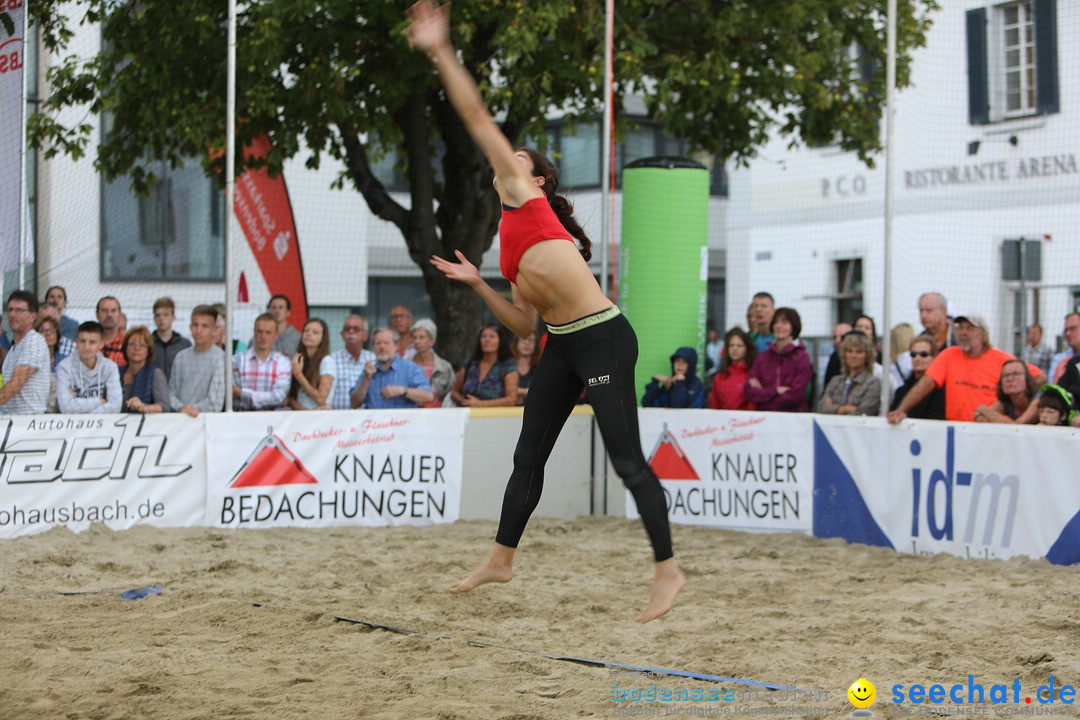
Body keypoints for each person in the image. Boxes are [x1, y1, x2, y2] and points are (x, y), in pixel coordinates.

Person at [409, 0, 682, 623]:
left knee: (625, 457)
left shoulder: (522, 194)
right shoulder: (513, 240)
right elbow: (525, 326)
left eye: (520, 159)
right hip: (561, 342)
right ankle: (502, 558)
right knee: (527, 454)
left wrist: (439, 49)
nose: (508, 160)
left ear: (534, 179)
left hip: (605, 338)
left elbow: (475, 115)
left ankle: (668, 569)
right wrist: (480, 283)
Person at [888, 314, 1044, 424]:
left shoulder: (1002, 359)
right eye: (960, 328)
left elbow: (1040, 377)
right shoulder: (949, 354)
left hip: (989, 429)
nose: (963, 333)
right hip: (956, 430)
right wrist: (901, 410)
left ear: (983, 335)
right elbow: (925, 383)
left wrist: (1010, 401)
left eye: (969, 328)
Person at [745, 307, 813, 412]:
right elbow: (750, 392)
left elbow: (797, 395)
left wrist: (766, 398)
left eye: (784, 322)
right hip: (766, 419)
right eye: (776, 322)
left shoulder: (802, 357)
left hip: (794, 419)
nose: (779, 326)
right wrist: (775, 391)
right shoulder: (763, 358)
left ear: (793, 327)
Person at [350, 327, 434, 410]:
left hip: (402, 422)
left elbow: (428, 396)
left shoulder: (411, 369)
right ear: (373, 348)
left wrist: (402, 391)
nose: (382, 347)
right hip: (374, 422)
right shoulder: (368, 371)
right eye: (378, 343)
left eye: (386, 343)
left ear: (396, 346)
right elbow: (354, 403)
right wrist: (366, 380)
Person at [169, 305, 226, 417]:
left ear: (214, 329)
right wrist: (181, 408)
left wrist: (190, 410)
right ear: (190, 327)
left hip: (207, 424)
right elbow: (171, 393)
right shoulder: (180, 357)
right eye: (195, 325)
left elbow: (215, 403)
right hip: (179, 421)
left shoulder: (221, 359)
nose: (198, 331)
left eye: (204, 326)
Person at [0, 291, 51, 415]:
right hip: (13, 421)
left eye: (19, 310)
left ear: (33, 316)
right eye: (10, 309)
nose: (12, 314)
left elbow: (16, 383)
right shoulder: (13, 349)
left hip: (29, 422)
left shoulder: (34, 341)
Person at [55, 321, 122, 414]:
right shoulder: (63, 367)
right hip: (71, 425)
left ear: (101, 344)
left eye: (92, 342)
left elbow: (116, 406)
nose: (86, 347)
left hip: (102, 425)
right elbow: (65, 407)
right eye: (82, 341)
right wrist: (99, 401)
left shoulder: (110, 367)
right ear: (76, 342)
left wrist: (85, 412)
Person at [233, 313, 291, 411]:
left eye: (268, 332)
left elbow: (278, 397)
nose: (263, 336)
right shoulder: (237, 360)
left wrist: (243, 393)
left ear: (276, 335)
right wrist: (267, 398)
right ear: (254, 333)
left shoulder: (283, 363)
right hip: (242, 418)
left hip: (272, 421)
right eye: (259, 332)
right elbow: (233, 394)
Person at [450, 324, 519, 408]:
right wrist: (464, 401)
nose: (487, 340)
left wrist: (480, 404)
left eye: (492, 337)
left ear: (500, 341)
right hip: (467, 414)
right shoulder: (471, 362)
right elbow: (454, 392)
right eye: (483, 336)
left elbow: (511, 399)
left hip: (495, 417)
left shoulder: (508, 366)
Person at [816, 331, 881, 416]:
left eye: (859, 352)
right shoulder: (835, 381)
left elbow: (865, 411)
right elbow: (821, 408)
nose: (853, 355)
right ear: (844, 354)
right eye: (849, 351)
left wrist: (833, 408)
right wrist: (843, 409)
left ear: (867, 355)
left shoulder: (872, 383)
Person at [889, 335, 945, 420]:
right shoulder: (901, 391)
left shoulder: (942, 391)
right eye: (913, 354)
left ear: (934, 357)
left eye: (924, 354)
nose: (917, 358)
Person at [285, 318, 335, 410]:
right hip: (303, 417)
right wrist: (307, 412)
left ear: (322, 339)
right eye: (306, 330)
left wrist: (299, 375)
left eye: (315, 332)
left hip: (321, 420)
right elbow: (290, 399)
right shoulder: (299, 359)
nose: (309, 334)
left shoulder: (327, 361)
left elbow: (321, 399)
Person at [329, 315, 376, 410]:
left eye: (356, 329)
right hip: (338, 419)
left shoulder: (373, 359)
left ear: (365, 335)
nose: (351, 331)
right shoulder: (331, 360)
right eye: (347, 329)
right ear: (342, 334)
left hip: (368, 420)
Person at [973, 358, 1039, 424]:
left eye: (1016, 374)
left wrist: (983, 409)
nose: (1010, 379)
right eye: (1005, 375)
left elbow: (1017, 427)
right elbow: (979, 417)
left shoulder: (1038, 400)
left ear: (1027, 379)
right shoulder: (1005, 401)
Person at [120, 326, 170, 414]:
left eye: (142, 345)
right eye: (132, 344)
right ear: (125, 347)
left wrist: (143, 407)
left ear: (148, 350)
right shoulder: (116, 372)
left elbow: (164, 406)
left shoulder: (155, 374)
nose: (136, 348)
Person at [708, 327, 757, 411]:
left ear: (746, 349)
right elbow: (714, 406)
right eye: (731, 345)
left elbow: (753, 408)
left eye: (739, 345)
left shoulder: (752, 376)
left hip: (745, 422)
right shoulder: (719, 377)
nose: (735, 348)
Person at [410, 319, 454, 408]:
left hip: (437, 415)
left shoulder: (444, 367)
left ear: (432, 341)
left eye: (421, 337)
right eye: (415, 337)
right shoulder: (405, 364)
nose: (417, 341)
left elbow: (450, 394)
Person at [151, 297, 192, 381]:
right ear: (154, 319)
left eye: (166, 315)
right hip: (153, 391)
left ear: (173, 317)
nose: (161, 319)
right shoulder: (147, 343)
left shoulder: (184, 344)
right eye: (158, 315)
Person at [33, 316, 62, 412]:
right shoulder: (32, 360)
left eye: (52, 330)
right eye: (42, 331)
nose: (48, 334)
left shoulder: (65, 359)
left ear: (57, 334)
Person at [96, 296, 127, 368]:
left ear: (119, 315)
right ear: (97, 315)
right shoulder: (88, 342)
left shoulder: (128, 343)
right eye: (104, 310)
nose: (109, 315)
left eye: (113, 310)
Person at [1050, 312, 1080, 384]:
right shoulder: (1059, 360)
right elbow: (1053, 388)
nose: (1068, 333)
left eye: (1072, 328)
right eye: (1066, 330)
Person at [511, 334, 540, 406]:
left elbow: (543, 391)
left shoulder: (541, 366)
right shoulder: (507, 366)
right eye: (523, 339)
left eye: (531, 340)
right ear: (516, 343)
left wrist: (517, 392)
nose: (527, 343)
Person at [822, 322, 853, 390]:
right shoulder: (834, 357)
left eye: (842, 337)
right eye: (835, 337)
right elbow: (827, 387)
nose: (837, 340)